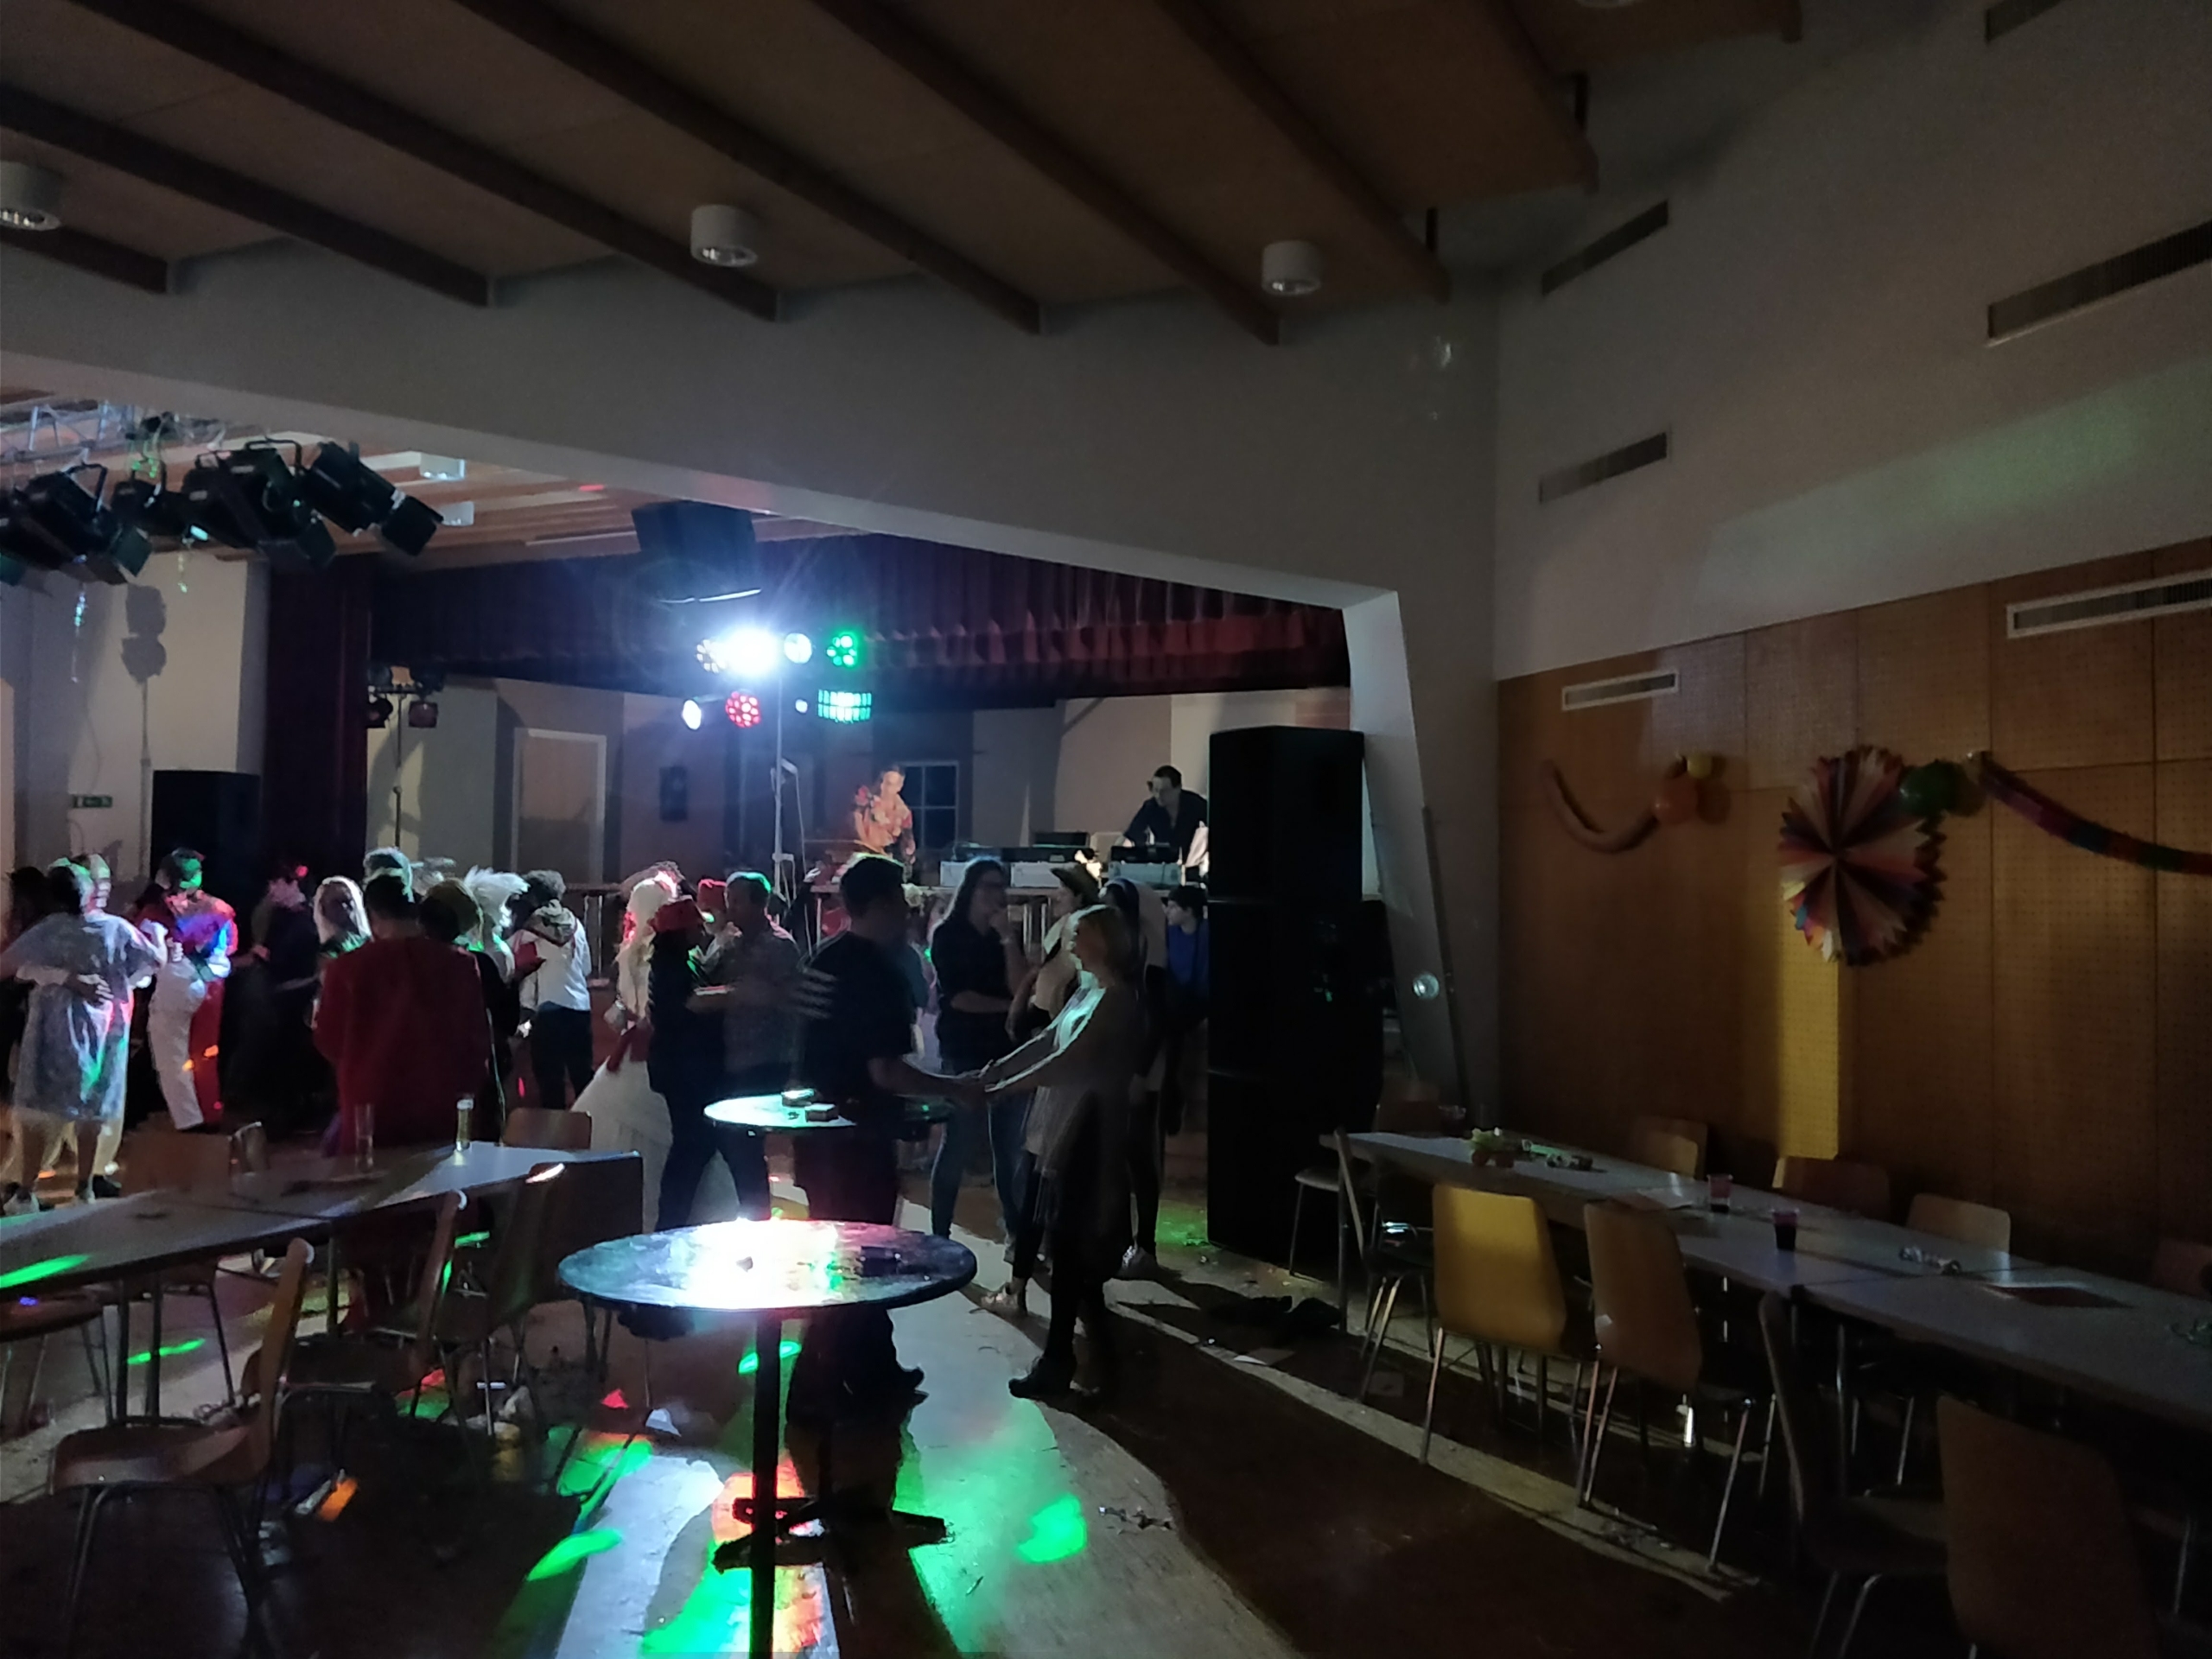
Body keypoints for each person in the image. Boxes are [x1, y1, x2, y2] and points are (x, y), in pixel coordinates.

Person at [788, 855, 978, 1423]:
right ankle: (816, 1389)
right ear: (881, 904)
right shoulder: (876, 973)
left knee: (847, 1258)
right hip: (858, 1141)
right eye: (900, 899)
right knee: (860, 1263)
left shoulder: (824, 957)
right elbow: (886, 1071)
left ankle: (873, 1370)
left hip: (818, 1137)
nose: (908, 911)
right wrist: (955, 1089)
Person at [977, 904, 1145, 1398]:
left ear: (1106, 940)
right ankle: (1088, 1361)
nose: (1071, 941)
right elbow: (1048, 1043)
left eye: (1081, 934)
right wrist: (999, 1070)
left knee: (1074, 1253)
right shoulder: (1089, 990)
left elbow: (1067, 1060)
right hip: (1063, 1130)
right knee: (1069, 1255)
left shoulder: (1117, 999)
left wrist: (1002, 1087)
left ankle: (1070, 1361)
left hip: (1088, 1135)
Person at [0, 864, 161, 1213]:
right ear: (86, 892)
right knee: (90, 1109)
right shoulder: (114, 928)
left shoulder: (51, 929)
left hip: (58, 1030)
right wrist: (126, 977)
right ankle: (82, 1188)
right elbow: (152, 960)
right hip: (97, 1031)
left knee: (42, 1110)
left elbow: (7, 965)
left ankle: (27, 1192)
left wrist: (57, 976)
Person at [314, 872, 491, 1154]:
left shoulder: (346, 968)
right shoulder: (459, 964)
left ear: (372, 916)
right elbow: (476, 1041)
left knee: (364, 1178)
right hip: (440, 1103)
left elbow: (329, 1039)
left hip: (369, 1106)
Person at [925, 858, 1027, 1238]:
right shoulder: (948, 934)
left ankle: (1016, 1233)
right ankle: (940, 1233)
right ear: (971, 889)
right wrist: (1009, 1007)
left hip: (1006, 1048)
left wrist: (1008, 939)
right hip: (965, 1047)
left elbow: (1020, 986)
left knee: (1009, 1147)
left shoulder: (1003, 936)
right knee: (959, 1143)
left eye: (1002, 886)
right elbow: (959, 998)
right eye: (990, 886)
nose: (997, 895)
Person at [689, 870, 798, 1216]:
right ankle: (752, 1210)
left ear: (759, 903)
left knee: (742, 1141)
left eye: (737, 901)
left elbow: (780, 1000)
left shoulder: (778, 946)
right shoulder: (732, 942)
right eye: (729, 901)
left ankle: (757, 1213)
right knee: (735, 1143)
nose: (730, 908)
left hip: (764, 1057)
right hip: (734, 1056)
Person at [576, 874, 681, 1225]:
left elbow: (629, 1005)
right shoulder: (665, 952)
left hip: (631, 1050)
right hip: (655, 1048)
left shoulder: (629, 953)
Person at [135, 849, 236, 1133]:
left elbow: (141, 951)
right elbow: (231, 946)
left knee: (171, 1054)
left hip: (176, 982)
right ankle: (210, 1113)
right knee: (205, 1052)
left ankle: (189, 1120)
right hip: (212, 985)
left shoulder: (155, 913)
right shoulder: (220, 909)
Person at [223, 860, 324, 1135]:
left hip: (291, 1002)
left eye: (277, 882)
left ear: (294, 885)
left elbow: (291, 962)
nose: (271, 888)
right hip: (272, 997)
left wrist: (263, 956)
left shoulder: (306, 922)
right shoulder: (280, 915)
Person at [1104, 876, 1171, 1275]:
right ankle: (1120, 1243)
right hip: (1115, 1067)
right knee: (1116, 1158)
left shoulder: (1148, 957)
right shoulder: (1117, 953)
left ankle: (1144, 1244)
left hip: (1138, 1070)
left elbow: (1158, 1019)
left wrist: (1141, 1073)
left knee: (1138, 1157)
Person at [421, 880, 518, 1135]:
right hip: (470, 1077)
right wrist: (514, 983)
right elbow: (507, 1021)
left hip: (419, 1076)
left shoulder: (406, 963)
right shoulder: (477, 964)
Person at [512, 869, 593, 1109]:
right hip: (580, 1008)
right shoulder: (576, 925)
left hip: (547, 1013)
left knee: (550, 1083)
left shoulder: (530, 930)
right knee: (583, 1080)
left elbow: (511, 961)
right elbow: (586, 967)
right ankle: (591, 1127)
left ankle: (555, 1130)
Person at [1010, 864, 1099, 1042]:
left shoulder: (1085, 931)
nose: (1057, 897)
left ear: (1080, 898)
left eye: (1064, 893)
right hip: (1042, 1009)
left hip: (1056, 1015)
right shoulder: (1064, 924)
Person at [1121, 765, 1208, 862]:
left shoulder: (1196, 805)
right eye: (1155, 790)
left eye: (1164, 791)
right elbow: (1131, 836)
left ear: (1178, 788)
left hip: (1194, 861)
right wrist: (1119, 858)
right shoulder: (1151, 807)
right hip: (1165, 863)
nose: (1158, 795)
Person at [851, 768, 915, 865]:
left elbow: (908, 838)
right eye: (881, 781)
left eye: (889, 784)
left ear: (899, 787)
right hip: (862, 858)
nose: (882, 787)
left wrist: (909, 848)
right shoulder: (866, 799)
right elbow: (855, 818)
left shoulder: (904, 813)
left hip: (886, 860)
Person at [314, 875, 371, 965]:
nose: (344, 906)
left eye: (347, 901)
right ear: (323, 908)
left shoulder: (372, 940)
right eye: (336, 903)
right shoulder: (323, 953)